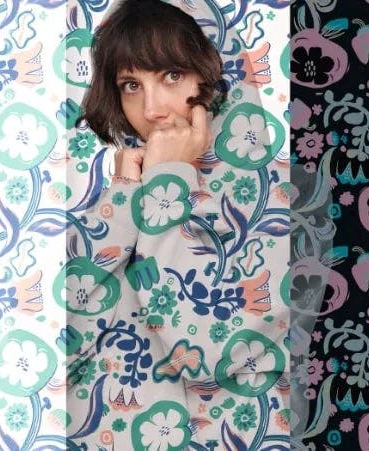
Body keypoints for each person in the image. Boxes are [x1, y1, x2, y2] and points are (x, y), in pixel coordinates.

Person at [64, 0, 290, 448]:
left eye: (171, 75)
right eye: (131, 85)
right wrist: (126, 200)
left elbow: (207, 350)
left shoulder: (289, 201)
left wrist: (168, 183)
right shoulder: (115, 203)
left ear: (217, 76)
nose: (152, 109)